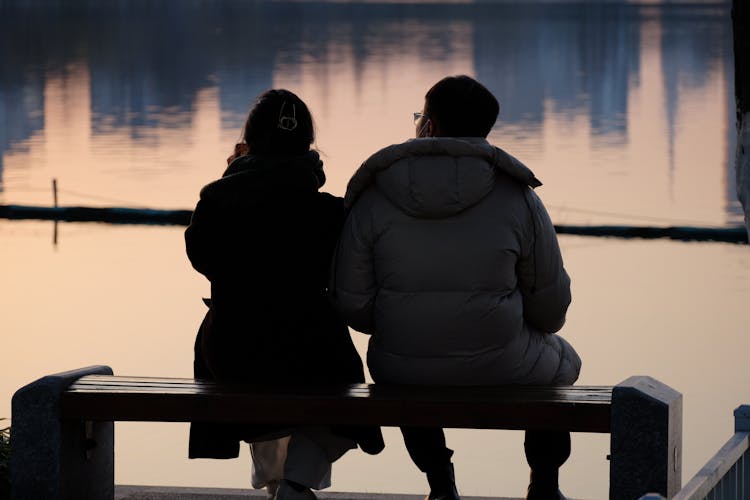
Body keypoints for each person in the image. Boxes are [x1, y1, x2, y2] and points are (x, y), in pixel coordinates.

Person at [331, 75, 581, 500]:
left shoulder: (374, 195)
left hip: (402, 365)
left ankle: (439, 483)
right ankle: (544, 484)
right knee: (561, 364)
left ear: (429, 124)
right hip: (503, 363)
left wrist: (402, 321)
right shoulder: (518, 197)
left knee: (408, 367)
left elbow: (352, 305)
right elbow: (551, 308)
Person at [185, 89, 383, 500]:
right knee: (339, 385)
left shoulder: (215, 202)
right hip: (311, 346)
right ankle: (295, 481)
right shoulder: (330, 213)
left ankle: (280, 483)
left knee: (252, 367)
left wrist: (233, 178)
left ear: (247, 143)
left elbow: (202, 259)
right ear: (309, 148)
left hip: (232, 350)